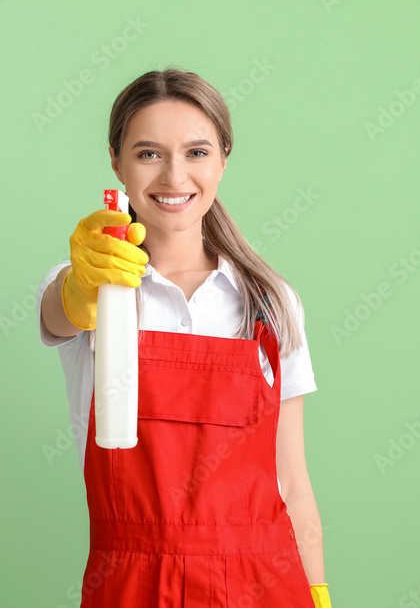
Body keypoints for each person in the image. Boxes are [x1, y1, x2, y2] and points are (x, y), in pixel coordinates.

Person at [35, 67, 332, 607]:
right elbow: (58, 314)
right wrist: (84, 287)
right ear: (116, 163)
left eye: (196, 153)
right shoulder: (93, 288)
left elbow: (292, 479)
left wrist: (317, 590)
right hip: (130, 583)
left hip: (265, 584)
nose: (174, 176)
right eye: (148, 153)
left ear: (223, 160)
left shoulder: (269, 301)